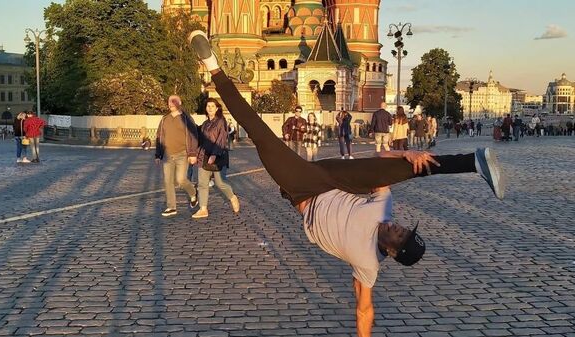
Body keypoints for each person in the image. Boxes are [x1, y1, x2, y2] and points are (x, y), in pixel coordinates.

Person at [188, 30, 506, 337]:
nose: (397, 225)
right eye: (404, 227)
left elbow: (364, 308)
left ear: (392, 252)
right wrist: (404, 152)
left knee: (259, 133)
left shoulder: (368, 263)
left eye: (400, 233)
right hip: (331, 179)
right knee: (408, 166)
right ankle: (473, 162)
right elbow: (379, 168)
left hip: (301, 190)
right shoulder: (384, 208)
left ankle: (214, 68)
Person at [192, 98, 239, 219]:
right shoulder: (205, 123)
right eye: (208, 106)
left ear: (217, 108)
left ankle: (232, 197)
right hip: (203, 156)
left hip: (218, 156)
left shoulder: (221, 121)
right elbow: (199, 137)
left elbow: (221, 139)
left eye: (212, 106)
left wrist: (214, 154)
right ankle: (203, 209)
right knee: (202, 184)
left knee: (220, 183)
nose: (210, 108)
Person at [154, 95, 199, 217]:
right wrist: (158, 154)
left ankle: (193, 192)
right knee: (168, 181)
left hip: (183, 153)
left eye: (174, 101)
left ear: (179, 103)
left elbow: (193, 136)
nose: (171, 103)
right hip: (168, 155)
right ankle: (171, 207)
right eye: (169, 101)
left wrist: (193, 153)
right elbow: (159, 137)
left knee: (180, 179)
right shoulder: (164, 119)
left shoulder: (186, 118)